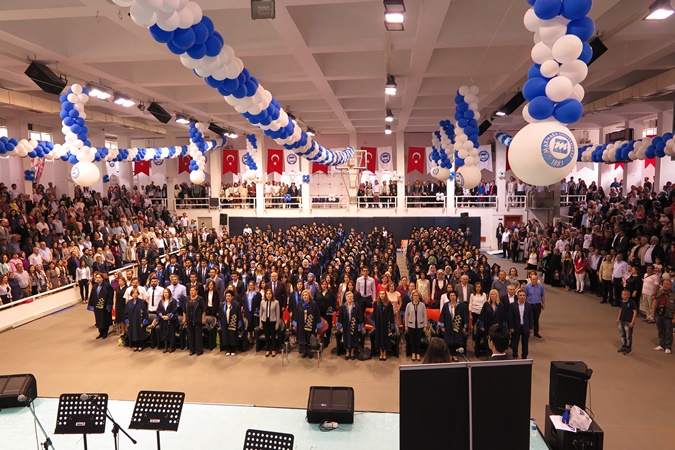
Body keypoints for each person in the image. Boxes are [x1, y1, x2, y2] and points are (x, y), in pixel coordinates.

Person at [476, 289, 510, 357]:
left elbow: (503, 316)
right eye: (491, 294)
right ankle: (489, 354)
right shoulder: (486, 304)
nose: (492, 296)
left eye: (494, 294)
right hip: (488, 326)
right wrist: (482, 326)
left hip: (497, 327)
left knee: (496, 340)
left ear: (496, 295)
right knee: (488, 340)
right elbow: (482, 315)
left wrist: (504, 327)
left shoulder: (500, 305)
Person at [438, 291, 469, 362]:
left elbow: (464, 316)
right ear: (449, 297)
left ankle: (454, 355)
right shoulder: (446, 305)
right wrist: (442, 326)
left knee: (456, 341)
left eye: (454, 295)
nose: (452, 297)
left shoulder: (461, 305)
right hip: (448, 326)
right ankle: (449, 355)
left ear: (456, 296)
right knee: (449, 341)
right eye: (451, 295)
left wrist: (464, 326)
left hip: (458, 326)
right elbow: (442, 315)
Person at [293, 289, 321, 358]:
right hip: (301, 324)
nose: (305, 296)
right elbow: (296, 313)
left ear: (309, 296)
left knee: (309, 336)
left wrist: (318, 325)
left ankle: (309, 351)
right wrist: (295, 324)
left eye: (306, 295)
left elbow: (317, 314)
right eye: (303, 295)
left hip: (310, 324)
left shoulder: (313, 304)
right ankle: (304, 351)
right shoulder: (299, 304)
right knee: (303, 337)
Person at [336, 291, 363, 360]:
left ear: (353, 298)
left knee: (354, 338)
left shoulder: (356, 306)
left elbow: (360, 316)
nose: (350, 298)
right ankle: (347, 352)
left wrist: (360, 326)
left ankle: (353, 352)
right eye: (348, 297)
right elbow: (340, 317)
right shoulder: (343, 307)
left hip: (354, 325)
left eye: (351, 296)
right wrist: (340, 327)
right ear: (346, 298)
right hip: (346, 325)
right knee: (346, 338)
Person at [651, 278, 675, 354]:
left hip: (668, 315)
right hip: (659, 314)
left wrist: (674, 317)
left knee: (668, 331)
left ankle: (668, 347)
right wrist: (653, 311)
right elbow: (655, 301)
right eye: (664, 284)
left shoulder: (673, 295)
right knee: (660, 330)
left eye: (667, 284)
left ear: (671, 286)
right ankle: (661, 344)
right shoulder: (660, 292)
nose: (665, 285)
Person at [87, 272, 113, 339]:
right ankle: (100, 332)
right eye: (97, 278)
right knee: (98, 319)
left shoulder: (107, 286)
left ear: (102, 278)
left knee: (104, 319)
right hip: (97, 306)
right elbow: (92, 295)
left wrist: (109, 305)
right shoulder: (95, 286)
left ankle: (105, 332)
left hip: (104, 305)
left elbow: (110, 296)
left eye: (99, 277)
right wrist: (91, 305)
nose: (98, 279)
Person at [371, 290, 395, 361]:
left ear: (385, 295)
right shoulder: (376, 304)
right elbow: (374, 314)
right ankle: (381, 352)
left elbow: (391, 315)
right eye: (380, 294)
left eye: (383, 294)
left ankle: (384, 353)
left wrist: (391, 325)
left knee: (385, 339)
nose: (382, 295)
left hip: (386, 325)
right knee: (379, 339)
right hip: (379, 325)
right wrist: (374, 324)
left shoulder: (389, 304)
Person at [510, 290, 534, 359]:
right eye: (520, 295)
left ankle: (524, 356)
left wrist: (531, 327)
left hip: (525, 327)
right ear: (517, 296)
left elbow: (531, 317)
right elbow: (510, 317)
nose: (522, 297)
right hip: (516, 327)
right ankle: (515, 355)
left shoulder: (528, 305)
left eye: (523, 295)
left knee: (525, 343)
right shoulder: (513, 305)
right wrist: (511, 327)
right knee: (515, 342)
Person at [405, 290, 428, 362]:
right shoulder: (408, 305)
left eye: (417, 296)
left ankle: (418, 353)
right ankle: (413, 353)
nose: (415, 297)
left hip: (420, 325)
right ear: (412, 297)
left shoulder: (422, 305)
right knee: (412, 340)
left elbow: (425, 316)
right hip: (411, 325)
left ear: (419, 297)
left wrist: (425, 326)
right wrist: (406, 325)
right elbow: (406, 316)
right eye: (414, 296)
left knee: (418, 340)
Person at [125, 287, 149, 352]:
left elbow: (145, 311)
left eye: (136, 293)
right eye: (133, 293)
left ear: (138, 294)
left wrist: (145, 320)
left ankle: (140, 345)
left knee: (140, 332)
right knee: (134, 333)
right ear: (131, 294)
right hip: (132, 320)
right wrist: (127, 321)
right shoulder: (129, 303)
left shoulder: (142, 302)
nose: (135, 294)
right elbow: (126, 312)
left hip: (139, 320)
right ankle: (135, 345)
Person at [184, 285, 205, 356]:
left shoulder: (200, 299)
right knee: (190, 336)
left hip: (197, 320)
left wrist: (203, 318)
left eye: (193, 290)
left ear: (196, 291)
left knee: (198, 336)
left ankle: (199, 350)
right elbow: (184, 310)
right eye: (190, 290)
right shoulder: (187, 299)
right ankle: (192, 350)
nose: (191, 292)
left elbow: (203, 310)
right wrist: (184, 318)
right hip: (189, 320)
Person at [259, 288, 280, 357]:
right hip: (265, 321)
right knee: (267, 336)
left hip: (273, 321)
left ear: (272, 294)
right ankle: (268, 349)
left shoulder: (276, 302)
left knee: (273, 336)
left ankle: (273, 349)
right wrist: (260, 323)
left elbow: (278, 314)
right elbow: (261, 313)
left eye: (270, 294)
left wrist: (277, 324)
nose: (268, 295)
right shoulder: (262, 302)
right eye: (267, 294)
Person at [220, 289, 242, 355]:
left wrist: (239, 323)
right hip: (225, 322)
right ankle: (228, 349)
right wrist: (220, 323)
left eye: (229, 296)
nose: (227, 297)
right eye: (226, 296)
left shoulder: (236, 304)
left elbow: (239, 315)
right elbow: (220, 314)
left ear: (232, 297)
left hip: (233, 322)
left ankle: (233, 349)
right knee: (226, 335)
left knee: (232, 335)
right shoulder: (223, 305)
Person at [156, 287, 178, 353]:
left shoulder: (173, 301)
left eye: (167, 292)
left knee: (171, 333)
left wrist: (169, 316)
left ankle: (171, 347)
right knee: (164, 333)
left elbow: (175, 310)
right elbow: (158, 310)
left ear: (169, 293)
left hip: (170, 320)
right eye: (164, 292)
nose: (165, 294)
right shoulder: (161, 301)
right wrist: (161, 316)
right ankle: (165, 347)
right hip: (163, 320)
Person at [316, 279, 336, 347]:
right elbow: (315, 301)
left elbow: (334, 301)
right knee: (320, 325)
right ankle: (321, 339)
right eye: (322, 284)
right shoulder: (317, 292)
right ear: (320, 285)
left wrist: (333, 310)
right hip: (319, 312)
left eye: (325, 284)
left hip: (328, 312)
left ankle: (327, 339)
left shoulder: (330, 292)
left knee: (328, 325)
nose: (324, 285)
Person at [616, 289, 637, 356]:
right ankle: (623, 346)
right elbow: (621, 309)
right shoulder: (622, 301)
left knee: (628, 336)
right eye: (622, 294)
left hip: (628, 321)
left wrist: (632, 322)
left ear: (628, 295)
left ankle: (628, 349)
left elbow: (635, 312)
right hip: (622, 320)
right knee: (622, 335)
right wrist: (618, 318)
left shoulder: (632, 302)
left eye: (625, 294)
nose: (623, 296)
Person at [524, 273, 545, 338]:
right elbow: (525, 296)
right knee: (529, 319)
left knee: (536, 319)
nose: (534, 280)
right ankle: (528, 332)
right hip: (530, 305)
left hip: (538, 305)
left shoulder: (540, 286)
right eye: (533, 279)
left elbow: (542, 295)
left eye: (535, 279)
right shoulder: (527, 286)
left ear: (537, 279)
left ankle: (536, 332)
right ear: (530, 279)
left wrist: (543, 303)